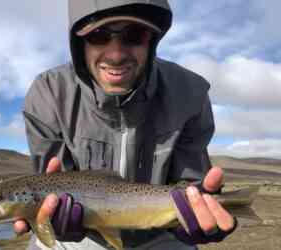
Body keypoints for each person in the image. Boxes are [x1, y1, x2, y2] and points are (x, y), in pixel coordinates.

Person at [15, 1, 236, 249]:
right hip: (83, 236)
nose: (116, 55)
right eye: (98, 36)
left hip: (163, 234)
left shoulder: (190, 92)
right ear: (79, 42)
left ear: (151, 40)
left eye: (134, 35)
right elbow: (51, 185)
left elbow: (191, 184)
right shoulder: (49, 92)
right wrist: (55, 219)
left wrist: (202, 211)